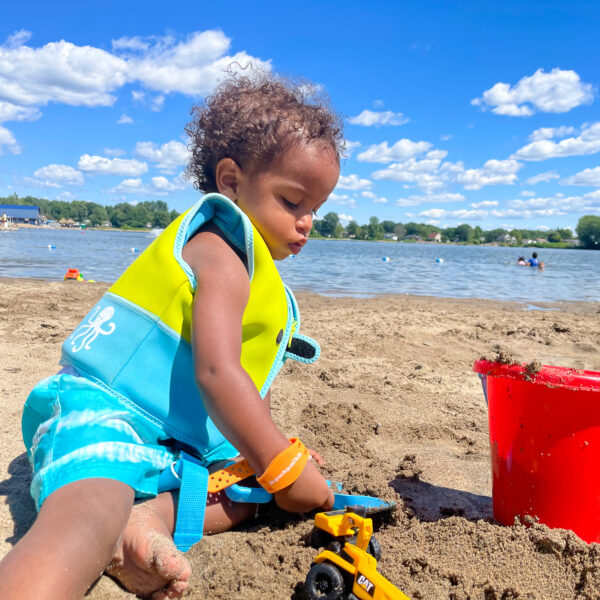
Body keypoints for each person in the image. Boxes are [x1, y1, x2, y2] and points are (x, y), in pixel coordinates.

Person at [0, 71, 343, 600]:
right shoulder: (221, 252)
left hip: (169, 441)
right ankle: (88, 542)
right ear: (230, 181)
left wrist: (267, 462)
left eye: (316, 210)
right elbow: (217, 372)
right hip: (106, 415)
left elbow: (249, 393)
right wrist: (284, 466)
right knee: (87, 513)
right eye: (293, 202)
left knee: (250, 494)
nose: (307, 223)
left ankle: (145, 522)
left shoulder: (255, 272)